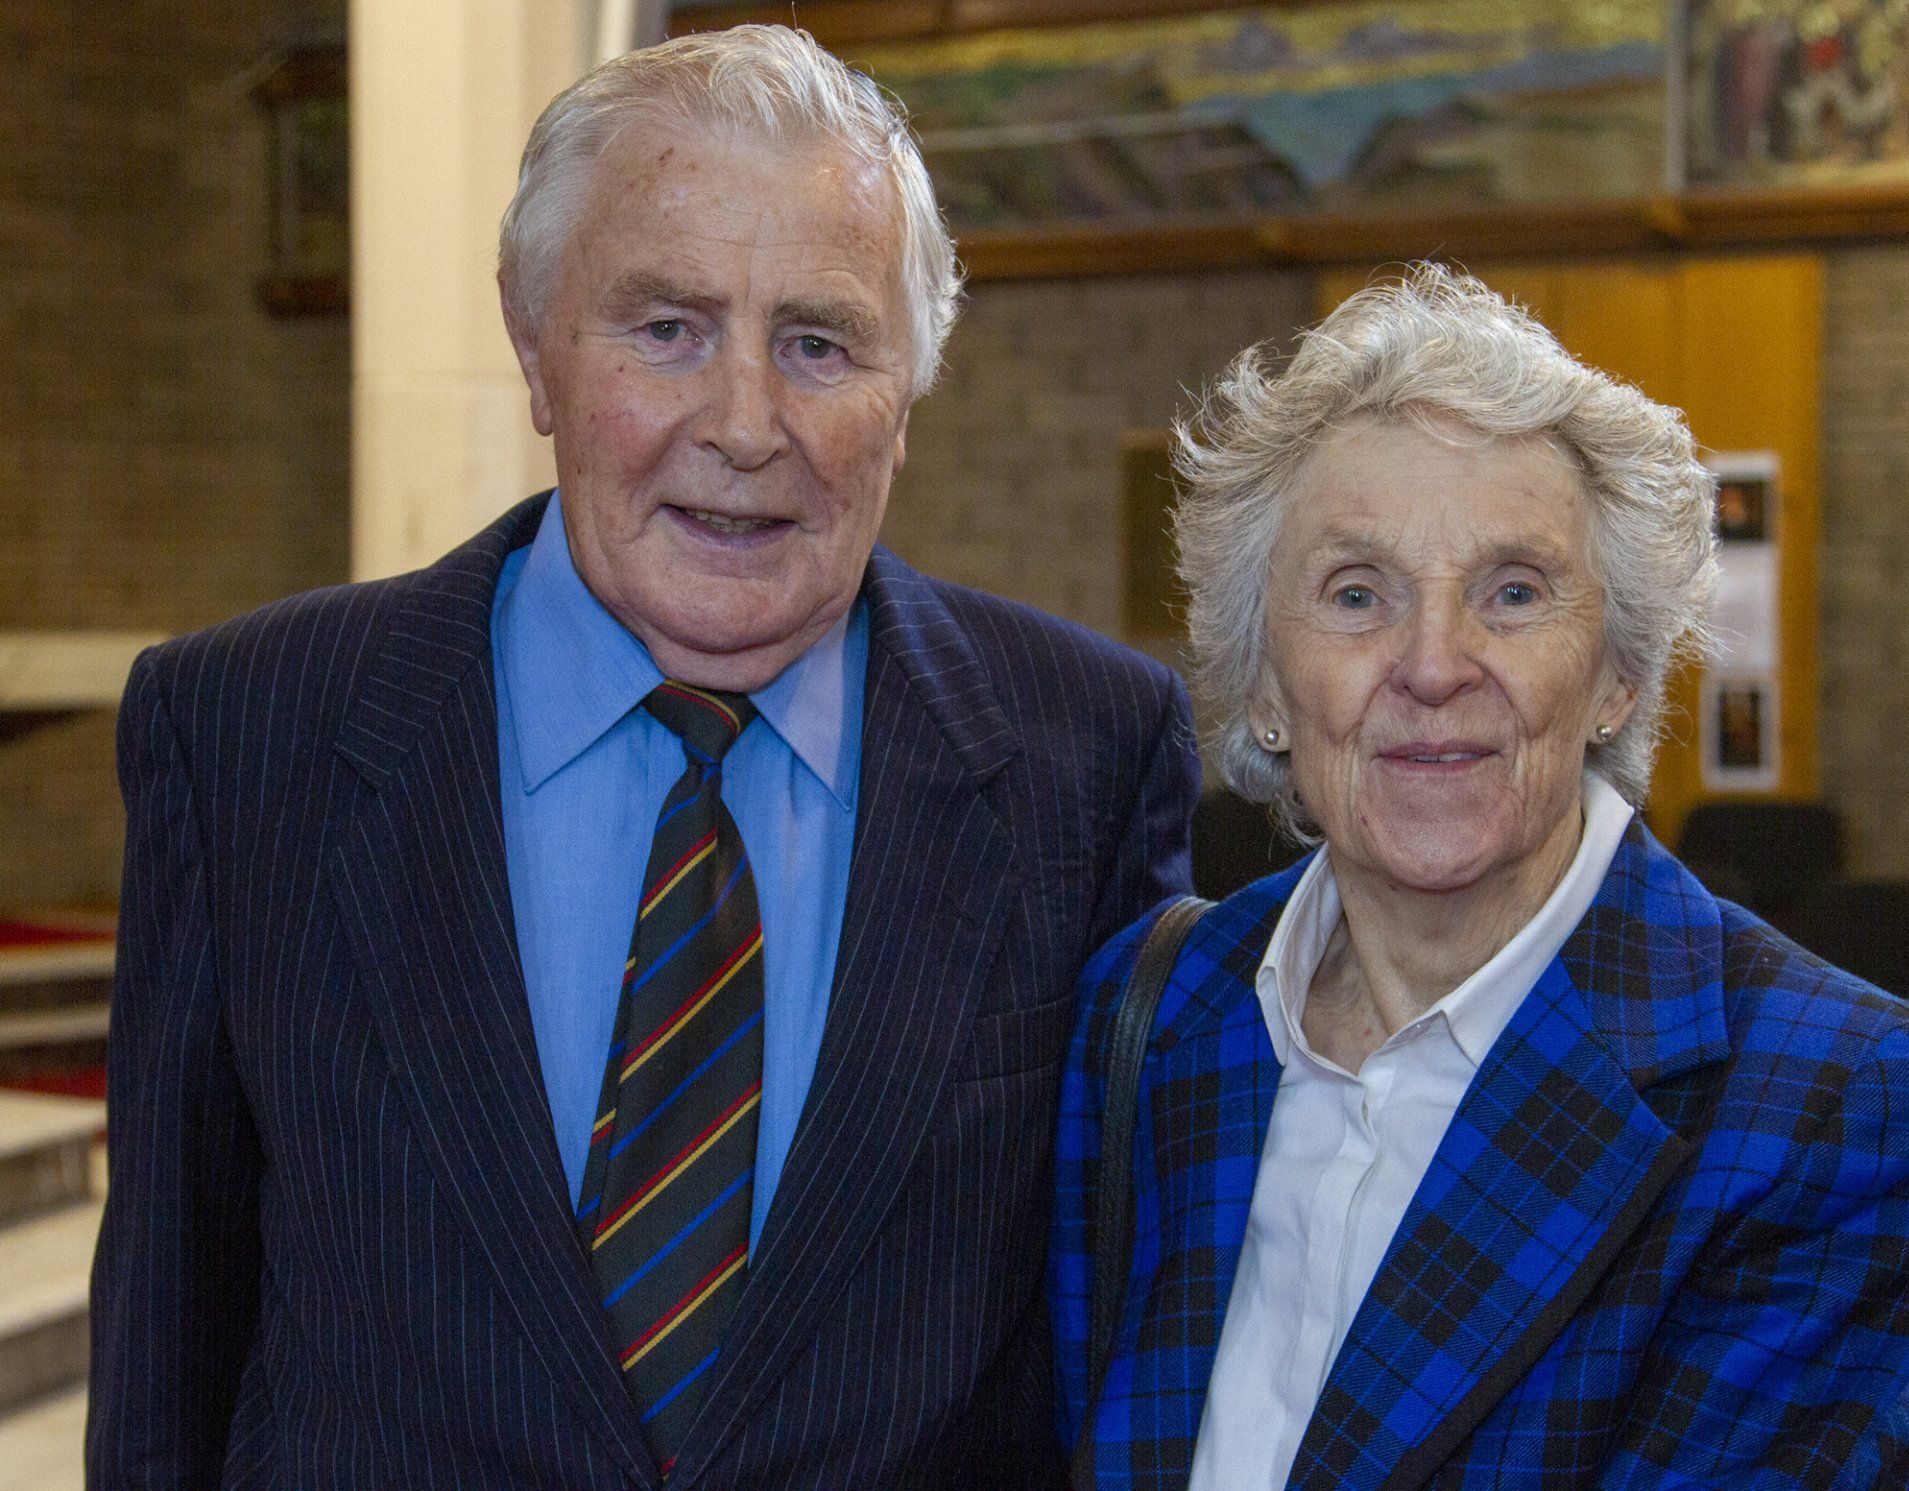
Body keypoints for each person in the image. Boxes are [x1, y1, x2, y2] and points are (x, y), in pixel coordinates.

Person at [89, 26, 1198, 1490]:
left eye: (818, 343)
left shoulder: (1089, 755)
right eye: (667, 328)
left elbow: (1124, 1362)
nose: (744, 425)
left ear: (909, 392)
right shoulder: (245, 732)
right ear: (533, 343)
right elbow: (167, 1366)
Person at [1051, 265, 1909, 1488]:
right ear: (1265, 685)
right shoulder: (1148, 1016)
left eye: (1513, 593)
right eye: (1358, 594)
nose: (1434, 663)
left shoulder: (1837, 1101)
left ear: (1617, 675)